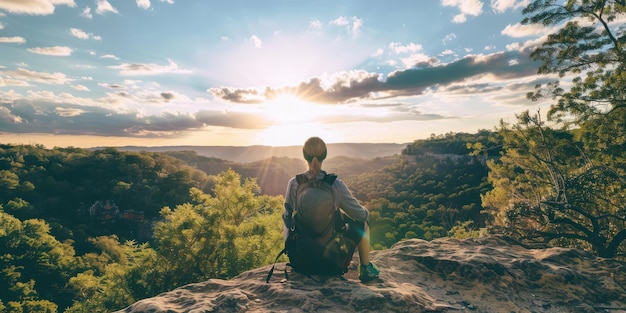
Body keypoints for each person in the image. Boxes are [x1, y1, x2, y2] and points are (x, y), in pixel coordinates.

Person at [283, 136, 380, 282]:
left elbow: (287, 218)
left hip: (300, 262)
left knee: (288, 219)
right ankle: (366, 269)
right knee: (364, 226)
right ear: (325, 155)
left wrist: (291, 251)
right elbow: (361, 216)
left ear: (304, 155)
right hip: (331, 263)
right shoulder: (335, 185)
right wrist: (365, 211)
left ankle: (293, 254)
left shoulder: (295, 183)